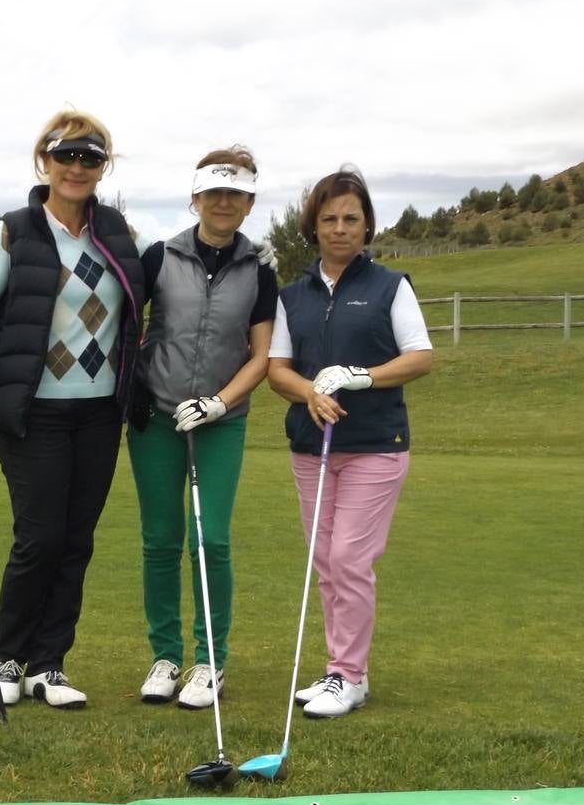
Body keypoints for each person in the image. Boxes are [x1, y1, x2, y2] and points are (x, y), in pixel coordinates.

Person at [0, 110, 145, 710]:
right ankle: (11, 658)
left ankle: (50, 663)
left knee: (77, 540)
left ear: (104, 167)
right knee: (40, 536)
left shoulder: (119, 232)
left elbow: (167, 274)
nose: (77, 167)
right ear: (43, 161)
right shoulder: (11, 232)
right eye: (65, 155)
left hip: (100, 413)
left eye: (90, 157)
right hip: (32, 411)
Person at [266, 165, 432, 719]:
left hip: (375, 443)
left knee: (349, 557)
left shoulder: (391, 285)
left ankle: (349, 676)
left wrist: (360, 376)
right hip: (312, 446)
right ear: (313, 227)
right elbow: (278, 369)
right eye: (329, 218)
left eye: (351, 219)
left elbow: (419, 357)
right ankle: (338, 669)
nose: (340, 228)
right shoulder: (292, 296)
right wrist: (311, 391)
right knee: (326, 560)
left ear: (367, 227)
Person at [129, 146, 278, 709]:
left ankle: (209, 661)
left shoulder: (260, 269)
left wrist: (218, 403)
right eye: (213, 193)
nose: (223, 202)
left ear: (249, 203)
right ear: (195, 198)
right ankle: (165, 656)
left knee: (210, 538)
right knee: (161, 541)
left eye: (235, 194)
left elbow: (261, 355)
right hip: (155, 418)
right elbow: (126, 330)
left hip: (222, 421)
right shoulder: (158, 257)